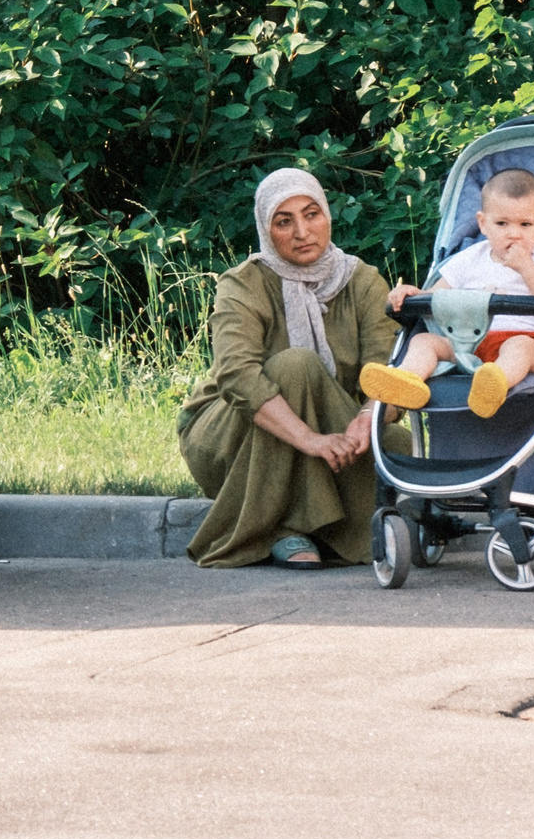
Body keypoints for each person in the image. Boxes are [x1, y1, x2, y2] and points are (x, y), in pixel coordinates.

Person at [175, 169, 409, 569]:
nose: (302, 232)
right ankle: (283, 530)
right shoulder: (243, 283)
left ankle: (312, 527)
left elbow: (387, 370)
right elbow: (237, 375)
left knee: (399, 445)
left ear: (327, 216)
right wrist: (310, 440)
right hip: (230, 431)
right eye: (284, 222)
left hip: (333, 425)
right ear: (266, 230)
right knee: (296, 365)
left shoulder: (364, 281)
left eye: (311, 214)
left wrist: (367, 417)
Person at [358, 166, 534, 419]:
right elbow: (434, 299)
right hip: (468, 342)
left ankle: (494, 385)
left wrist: (527, 268)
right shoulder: (468, 259)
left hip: (527, 339)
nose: (514, 234)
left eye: (525, 224)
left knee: (519, 348)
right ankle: (407, 380)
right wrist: (410, 294)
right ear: (483, 224)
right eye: (502, 223)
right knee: (424, 341)